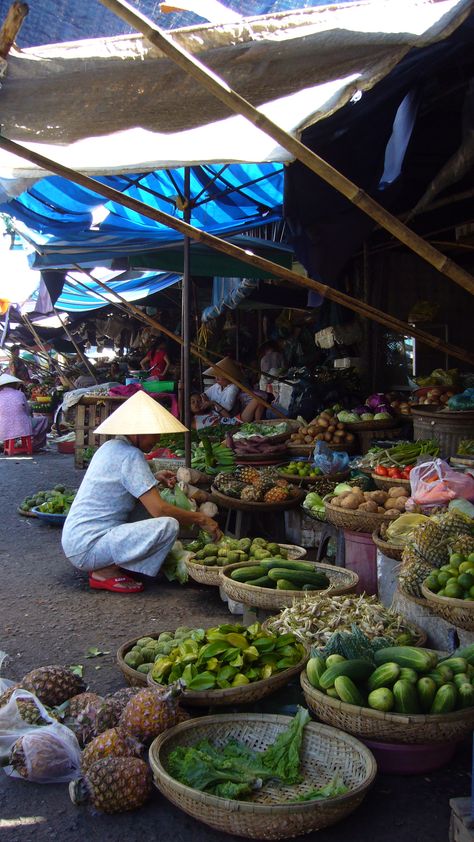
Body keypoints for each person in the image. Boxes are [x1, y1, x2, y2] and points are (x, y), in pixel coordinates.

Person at [61, 390, 221, 594]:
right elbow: (159, 510)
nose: (158, 439)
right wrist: (201, 519)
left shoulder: (110, 446)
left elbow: (121, 482)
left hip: (77, 541)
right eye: (154, 433)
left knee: (146, 502)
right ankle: (105, 571)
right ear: (137, 432)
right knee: (168, 525)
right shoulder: (131, 456)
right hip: (89, 548)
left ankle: (113, 563)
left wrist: (153, 478)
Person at [191, 357, 268, 428]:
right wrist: (204, 399)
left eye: (220, 375)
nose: (197, 403)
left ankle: (258, 423)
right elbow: (204, 394)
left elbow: (228, 409)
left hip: (236, 420)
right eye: (193, 402)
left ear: (228, 377)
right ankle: (258, 424)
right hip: (232, 425)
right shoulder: (196, 421)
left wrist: (213, 403)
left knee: (259, 399)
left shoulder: (233, 387)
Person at [0, 373, 49, 451]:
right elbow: (27, 410)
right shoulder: (20, 394)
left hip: (3, 428)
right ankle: (36, 445)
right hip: (22, 426)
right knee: (43, 419)